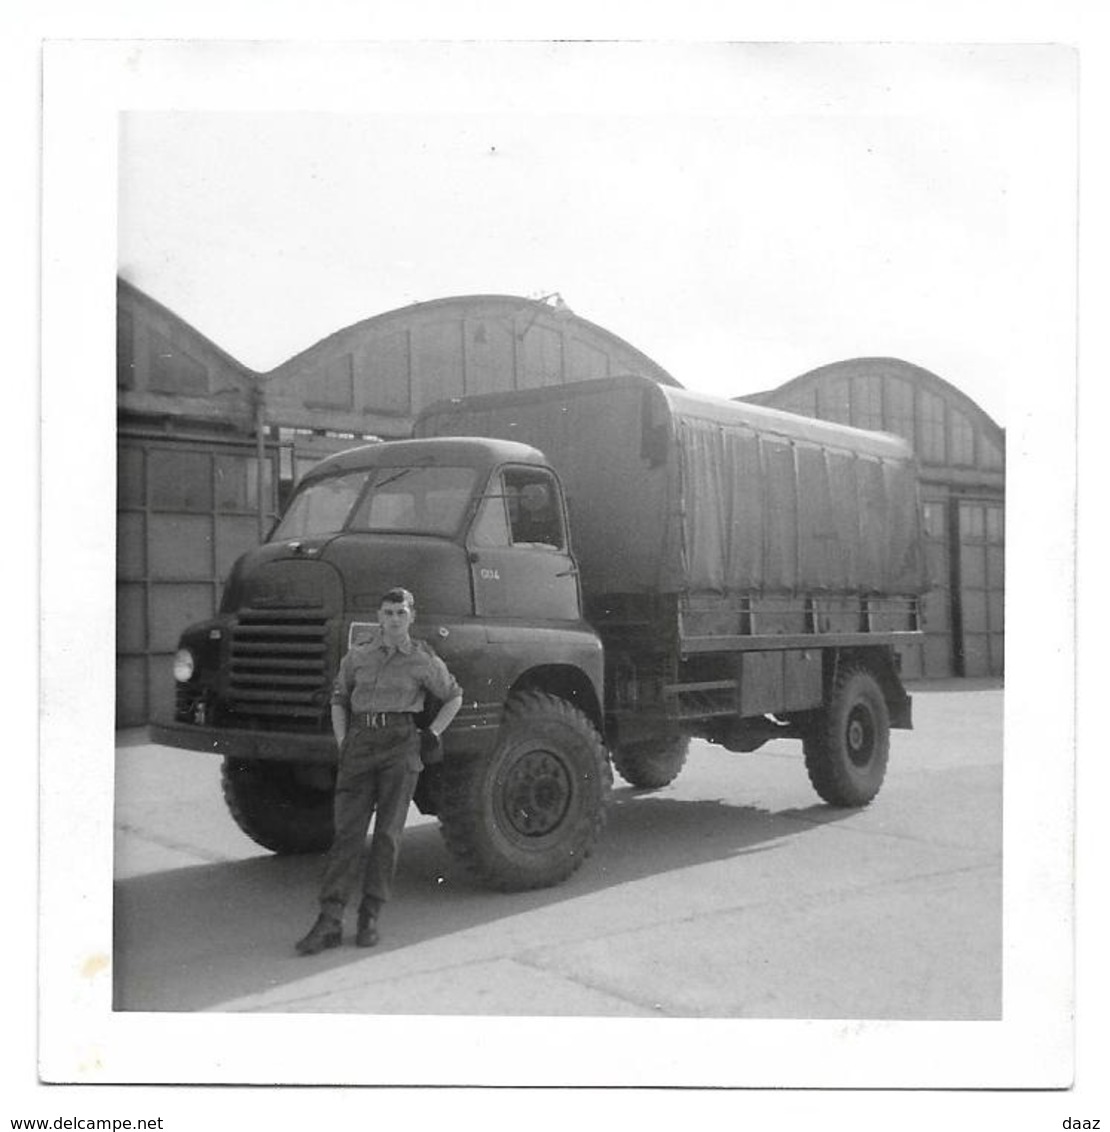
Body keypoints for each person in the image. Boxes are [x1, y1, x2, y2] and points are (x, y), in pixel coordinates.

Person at [295, 587, 463, 956]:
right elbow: (339, 698)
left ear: (411, 617)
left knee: (387, 835)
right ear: (378, 616)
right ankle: (330, 920)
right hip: (359, 742)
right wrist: (343, 742)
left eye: (401, 613)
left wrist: (432, 732)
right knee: (347, 835)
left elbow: (453, 695)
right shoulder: (358, 657)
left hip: (400, 746)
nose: (394, 619)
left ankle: (370, 915)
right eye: (388, 613)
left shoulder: (422, 660)